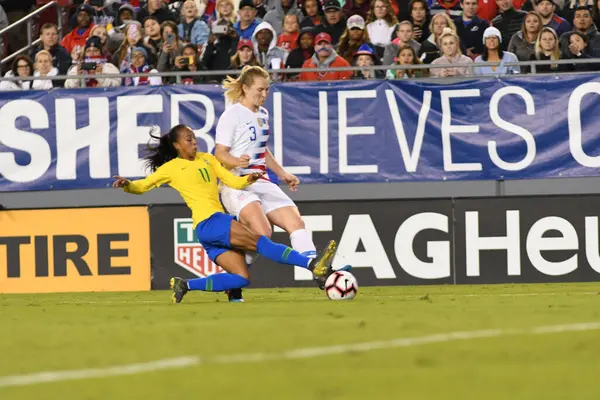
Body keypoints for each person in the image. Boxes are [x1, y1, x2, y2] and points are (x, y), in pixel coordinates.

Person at [113, 122, 338, 304]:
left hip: (206, 231)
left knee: (240, 279)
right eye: (188, 139)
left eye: (194, 138)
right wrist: (127, 185)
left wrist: (247, 179)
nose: (194, 142)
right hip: (211, 221)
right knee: (259, 240)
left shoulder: (208, 160)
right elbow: (142, 186)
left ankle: (185, 284)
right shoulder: (170, 168)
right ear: (176, 146)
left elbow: (231, 181)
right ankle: (311, 265)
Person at [214, 66, 349, 301]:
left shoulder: (263, 114)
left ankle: (318, 273)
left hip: (261, 180)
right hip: (237, 184)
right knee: (263, 232)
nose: (264, 94)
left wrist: (283, 173)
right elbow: (219, 154)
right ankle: (233, 279)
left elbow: (262, 151)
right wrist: (237, 161)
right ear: (245, 88)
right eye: (259, 89)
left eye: (267, 90)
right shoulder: (232, 115)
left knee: (295, 221)